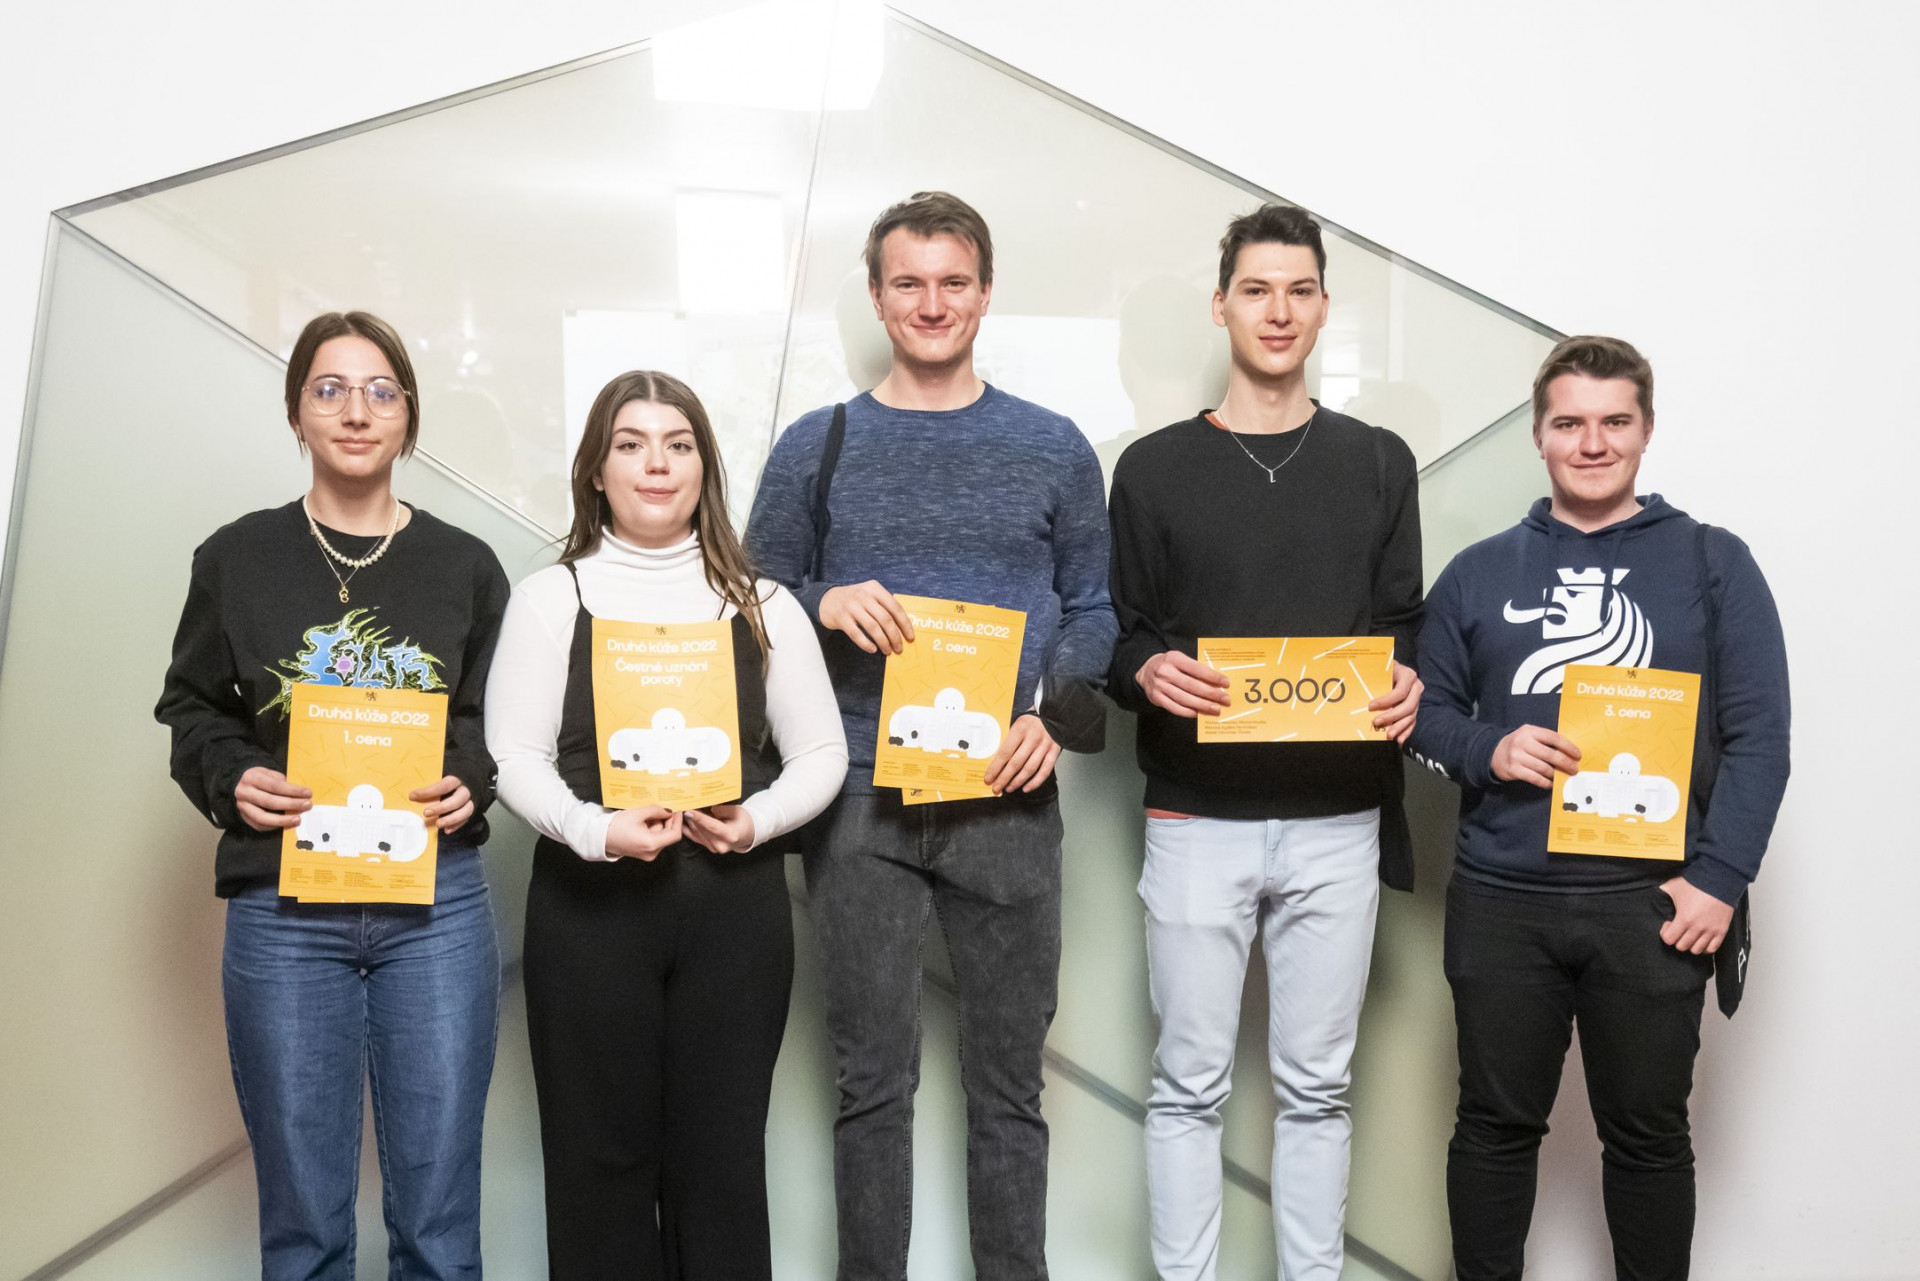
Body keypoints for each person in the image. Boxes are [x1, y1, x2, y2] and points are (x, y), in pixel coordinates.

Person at [744, 190, 1117, 1280]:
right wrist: (822, 600)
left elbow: (1095, 609)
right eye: (908, 282)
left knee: (1009, 1089)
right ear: (876, 296)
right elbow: (751, 595)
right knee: (872, 1087)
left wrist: (1052, 716)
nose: (932, 302)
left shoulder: (1053, 446)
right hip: (859, 798)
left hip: (1008, 792)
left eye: (954, 281)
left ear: (985, 294)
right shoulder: (817, 444)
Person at [1407, 335, 1791, 1280]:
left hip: (1653, 906)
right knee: (1492, 1126)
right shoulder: (1477, 572)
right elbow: (1423, 715)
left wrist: (1719, 878)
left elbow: (1761, 736)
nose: (1592, 442)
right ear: (1539, 435)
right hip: (1503, 899)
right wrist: (1489, 748)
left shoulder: (1713, 563)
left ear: (1646, 430)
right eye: (1570, 422)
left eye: (1615, 421)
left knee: (1649, 1138)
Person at [1105, 204, 1425, 1281]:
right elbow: (1123, 633)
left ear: (1324, 308)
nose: (1278, 311)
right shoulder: (1151, 468)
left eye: (1298, 290)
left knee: (1319, 1090)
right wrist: (1146, 671)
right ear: (1221, 306)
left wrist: (1410, 680)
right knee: (1187, 1085)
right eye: (1256, 289)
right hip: (1195, 819)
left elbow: (1403, 625)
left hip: (1340, 821)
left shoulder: (1379, 461)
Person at [155, 311, 509, 1280]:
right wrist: (234, 775)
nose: (357, 411)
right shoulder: (236, 558)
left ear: (408, 416)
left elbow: (495, 719)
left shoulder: (467, 565)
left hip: (435, 903)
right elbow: (191, 707)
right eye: (330, 389)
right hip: (284, 906)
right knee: (306, 1225)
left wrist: (469, 779)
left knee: (438, 1225)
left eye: (381, 391)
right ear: (297, 414)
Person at [486, 370, 846, 1278]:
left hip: (735, 913)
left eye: (678, 444)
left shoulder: (762, 603)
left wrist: (755, 821)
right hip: (589, 908)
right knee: (595, 1162)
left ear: (704, 467)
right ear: (596, 470)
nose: (657, 463)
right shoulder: (549, 598)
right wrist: (592, 830)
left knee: (721, 1165)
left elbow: (822, 754)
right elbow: (513, 755)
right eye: (632, 443)